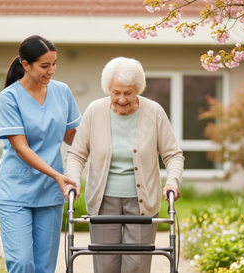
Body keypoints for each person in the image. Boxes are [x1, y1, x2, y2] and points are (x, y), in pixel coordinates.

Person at [65, 56, 184, 273]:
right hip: (102, 202)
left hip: (143, 203)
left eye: (128, 93)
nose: (121, 99)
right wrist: (72, 180)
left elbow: (173, 155)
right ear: (107, 89)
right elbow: (77, 154)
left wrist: (172, 182)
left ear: (138, 89)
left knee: (137, 265)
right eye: (115, 92)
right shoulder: (94, 110)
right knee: (105, 265)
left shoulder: (154, 111)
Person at [0, 35, 81, 273]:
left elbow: (73, 135)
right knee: (22, 263)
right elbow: (21, 148)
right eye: (45, 65)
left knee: (45, 267)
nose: (51, 70)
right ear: (26, 65)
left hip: (50, 193)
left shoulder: (62, 92)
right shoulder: (9, 98)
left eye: (54, 64)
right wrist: (57, 175)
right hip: (15, 192)